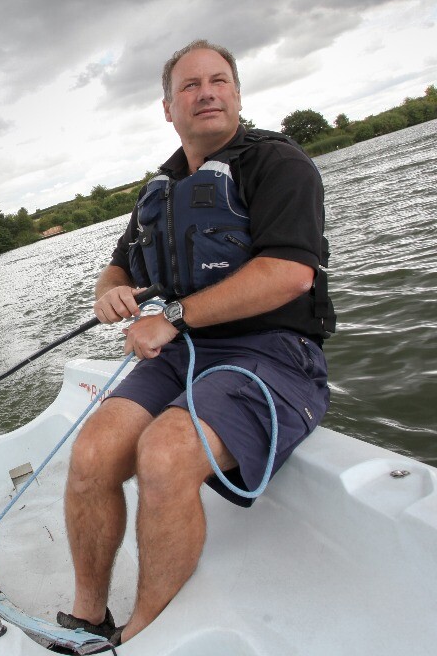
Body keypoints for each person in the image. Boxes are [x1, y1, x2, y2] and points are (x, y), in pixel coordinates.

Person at [57, 40, 336, 645]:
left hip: (274, 352)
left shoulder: (278, 164)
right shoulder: (160, 188)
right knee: (92, 453)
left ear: (236, 94)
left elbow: (290, 272)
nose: (206, 92)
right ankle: (86, 618)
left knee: (164, 452)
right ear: (168, 108)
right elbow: (118, 269)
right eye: (189, 85)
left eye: (219, 81)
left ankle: (144, 633)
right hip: (186, 352)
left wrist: (175, 315)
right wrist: (110, 294)